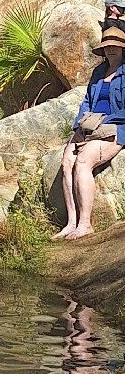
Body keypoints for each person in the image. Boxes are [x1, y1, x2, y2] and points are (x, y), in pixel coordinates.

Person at [52, 26, 125, 240]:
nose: (111, 49)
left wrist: (101, 124)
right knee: (67, 162)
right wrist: (80, 127)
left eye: (116, 46)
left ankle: (86, 224)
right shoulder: (98, 72)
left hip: (117, 126)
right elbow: (86, 103)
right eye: (108, 46)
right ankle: (71, 223)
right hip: (90, 126)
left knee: (83, 161)